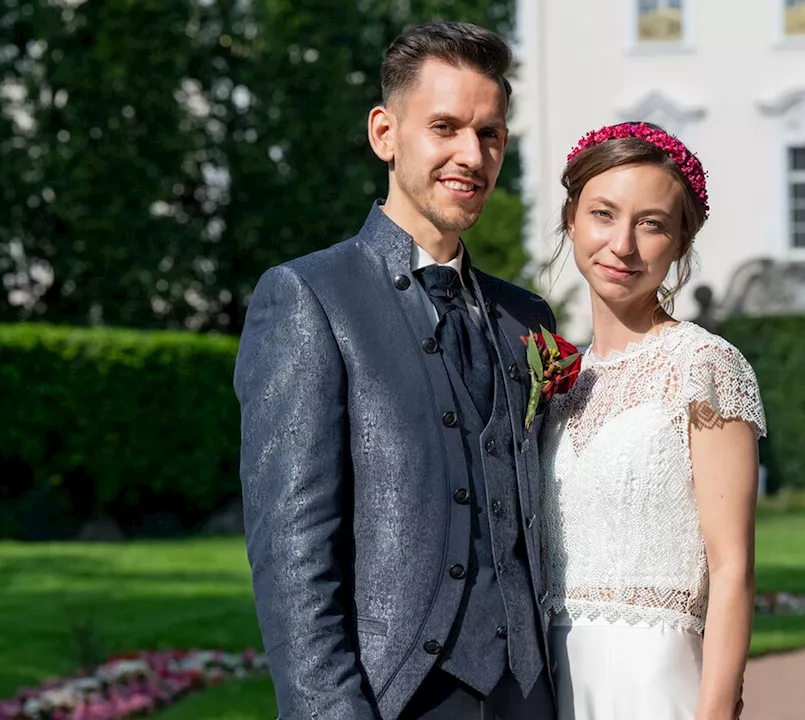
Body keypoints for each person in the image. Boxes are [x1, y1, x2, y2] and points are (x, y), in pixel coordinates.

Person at [234, 21, 557, 720]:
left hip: (529, 698)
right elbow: (292, 554)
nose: (471, 155)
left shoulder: (527, 320)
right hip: (391, 702)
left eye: (490, 134)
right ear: (385, 132)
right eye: (445, 127)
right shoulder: (308, 297)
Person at [538, 122, 766, 720]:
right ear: (572, 220)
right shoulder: (556, 379)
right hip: (551, 681)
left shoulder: (705, 367)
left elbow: (733, 566)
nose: (623, 245)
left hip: (656, 684)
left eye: (652, 224)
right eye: (604, 214)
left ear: (680, 244)